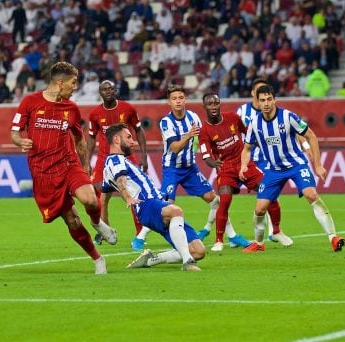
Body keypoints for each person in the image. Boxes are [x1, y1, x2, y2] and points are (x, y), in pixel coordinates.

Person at [10, 61, 117, 275]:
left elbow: (79, 138)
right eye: (73, 83)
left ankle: (97, 223)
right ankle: (98, 259)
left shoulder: (71, 108)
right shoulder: (30, 102)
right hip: (43, 172)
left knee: (90, 200)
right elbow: (14, 132)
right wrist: (20, 141)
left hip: (68, 164)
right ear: (60, 83)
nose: (75, 87)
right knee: (72, 220)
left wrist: (85, 165)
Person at [239, 85, 345, 252]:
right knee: (260, 209)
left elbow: (311, 136)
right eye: (262, 100)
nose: (266, 103)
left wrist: (317, 165)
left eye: (269, 99)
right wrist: (244, 165)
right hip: (274, 169)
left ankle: (333, 237)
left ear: (274, 99)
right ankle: (259, 244)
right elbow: (247, 148)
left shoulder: (288, 117)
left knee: (311, 194)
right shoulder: (254, 123)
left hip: (296, 165)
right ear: (258, 103)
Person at [103, 123, 204, 271]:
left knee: (198, 251)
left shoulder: (115, 164)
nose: (133, 141)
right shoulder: (115, 160)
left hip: (155, 204)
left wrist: (103, 227)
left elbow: (104, 198)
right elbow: (120, 180)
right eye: (129, 137)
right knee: (176, 211)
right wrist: (127, 196)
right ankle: (188, 263)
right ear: (117, 139)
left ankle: (151, 260)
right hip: (147, 205)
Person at [199, 93, 282, 251]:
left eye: (216, 103)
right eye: (210, 104)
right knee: (224, 199)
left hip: (244, 162)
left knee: (268, 191)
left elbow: (249, 133)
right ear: (204, 107)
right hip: (226, 167)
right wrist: (213, 163)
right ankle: (219, 240)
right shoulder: (204, 130)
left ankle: (277, 230)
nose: (214, 106)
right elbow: (206, 155)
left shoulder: (233, 117)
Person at [159, 85, 235, 241]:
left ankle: (232, 236)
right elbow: (174, 148)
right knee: (166, 210)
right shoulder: (166, 122)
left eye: (180, 98)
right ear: (169, 102)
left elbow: (204, 139)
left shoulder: (193, 117)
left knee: (216, 201)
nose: (178, 101)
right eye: (174, 99)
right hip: (172, 169)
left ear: (185, 99)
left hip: (190, 169)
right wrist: (188, 135)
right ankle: (141, 236)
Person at [87, 80, 150, 251]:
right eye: (104, 89)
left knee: (134, 193)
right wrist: (87, 162)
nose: (107, 91)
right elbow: (92, 137)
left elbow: (138, 131)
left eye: (110, 88)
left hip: (126, 157)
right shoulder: (95, 114)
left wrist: (144, 156)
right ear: (100, 92)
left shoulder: (128, 108)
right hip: (104, 159)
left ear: (115, 90)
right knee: (99, 195)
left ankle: (139, 234)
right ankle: (104, 231)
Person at [235, 78, 293, 246]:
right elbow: (235, 132)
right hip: (244, 159)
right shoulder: (243, 111)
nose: (265, 100)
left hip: (263, 160)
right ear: (254, 94)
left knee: (268, 196)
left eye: (268, 96)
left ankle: (273, 232)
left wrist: (304, 145)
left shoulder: (275, 114)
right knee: (223, 195)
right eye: (261, 94)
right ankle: (230, 235)